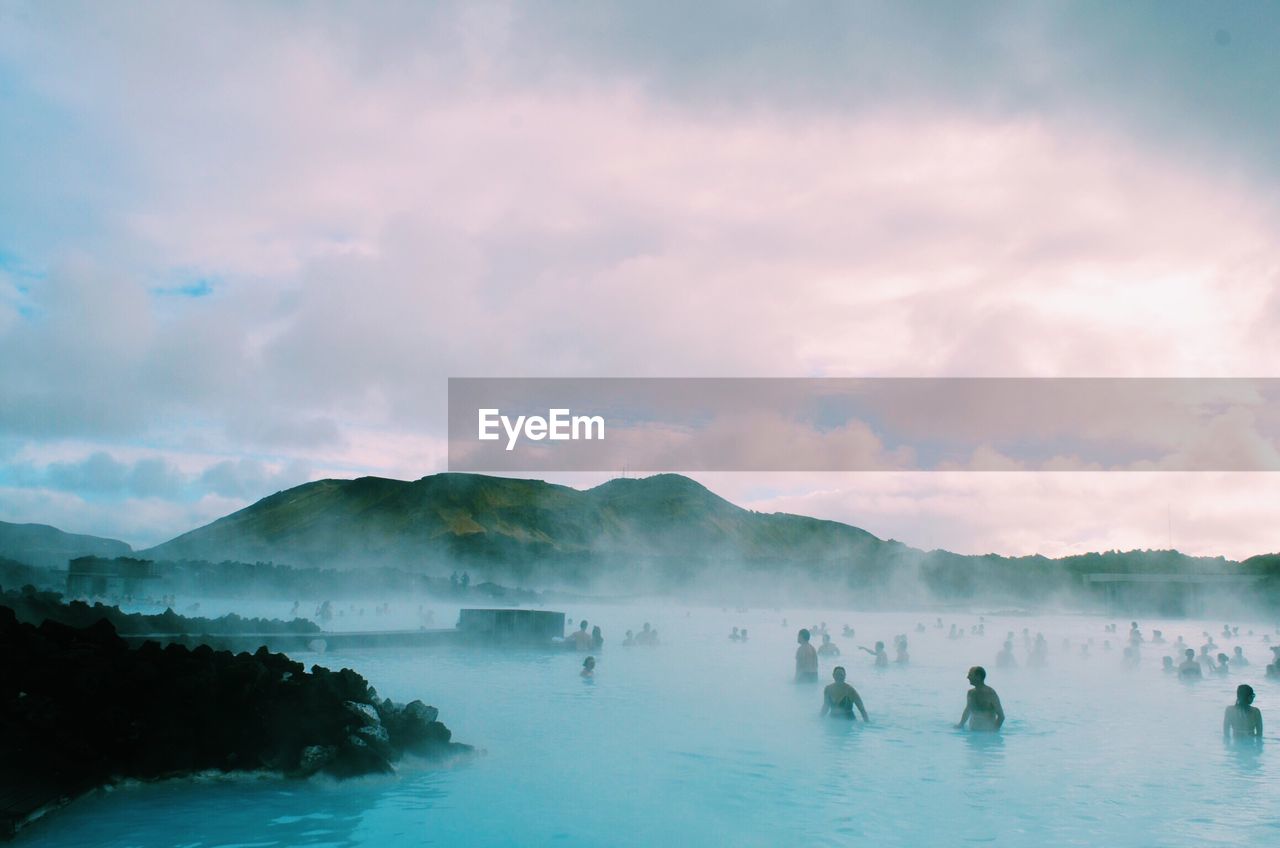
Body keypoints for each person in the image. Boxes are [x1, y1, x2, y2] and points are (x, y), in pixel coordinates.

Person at [956, 666, 1004, 732]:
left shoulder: (990, 693)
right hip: (972, 733)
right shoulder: (970, 693)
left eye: (970, 675)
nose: (968, 677)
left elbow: (1001, 716)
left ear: (978, 677)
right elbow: (968, 710)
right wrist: (961, 724)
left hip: (987, 733)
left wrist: (994, 732)